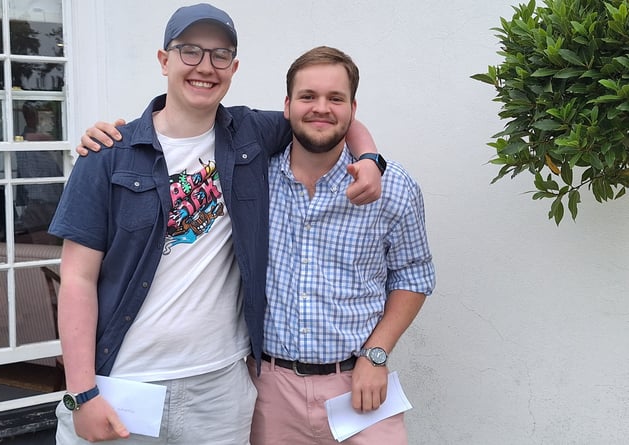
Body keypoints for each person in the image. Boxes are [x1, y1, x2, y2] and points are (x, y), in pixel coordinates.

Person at [50, 4, 383, 445]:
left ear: (234, 67)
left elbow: (325, 117)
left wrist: (368, 158)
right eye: (189, 51)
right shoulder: (108, 155)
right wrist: (82, 393)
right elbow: (76, 280)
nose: (205, 67)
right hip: (125, 384)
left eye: (219, 55)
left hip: (221, 390)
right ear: (164, 60)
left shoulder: (249, 133)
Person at [246, 46, 436, 445]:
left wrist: (376, 354)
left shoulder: (393, 186)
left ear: (353, 108)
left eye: (335, 98)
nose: (321, 108)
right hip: (269, 393)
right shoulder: (252, 180)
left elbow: (414, 274)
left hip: (360, 387)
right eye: (308, 96)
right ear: (286, 105)